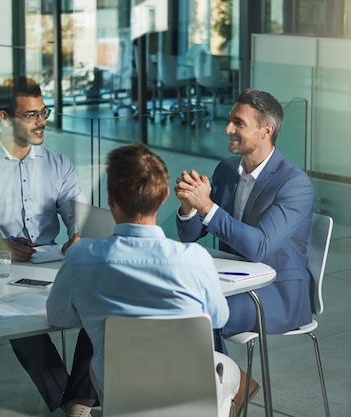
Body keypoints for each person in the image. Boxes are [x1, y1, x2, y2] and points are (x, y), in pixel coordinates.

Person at [47, 143, 240, 417]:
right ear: (163, 197)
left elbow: (58, 316)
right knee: (226, 372)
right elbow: (219, 319)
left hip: (120, 395)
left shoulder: (80, 258)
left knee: (96, 364)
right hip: (189, 394)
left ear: (110, 199)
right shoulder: (194, 260)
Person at [0, 76, 96, 416]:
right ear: (4, 118)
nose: (41, 121)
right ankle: (75, 407)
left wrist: (78, 233)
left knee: (101, 303)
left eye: (43, 111)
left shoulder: (58, 163)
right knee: (19, 321)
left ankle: (75, 405)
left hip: (54, 262)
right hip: (1, 270)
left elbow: (79, 213)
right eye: (30, 115)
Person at [174, 88, 315, 409]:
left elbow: (259, 246)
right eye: (229, 121)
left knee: (198, 315)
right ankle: (233, 384)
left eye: (238, 123)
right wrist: (189, 208)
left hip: (277, 293)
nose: (228, 129)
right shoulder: (227, 170)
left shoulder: (295, 183)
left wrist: (207, 206)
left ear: (266, 131)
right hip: (232, 282)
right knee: (174, 304)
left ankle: (211, 399)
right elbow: (190, 235)